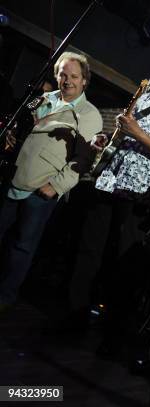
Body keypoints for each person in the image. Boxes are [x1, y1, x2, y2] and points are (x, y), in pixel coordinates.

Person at [67, 51, 150, 340]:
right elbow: (122, 139)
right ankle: (73, 319)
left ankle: (111, 335)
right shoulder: (142, 96)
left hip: (140, 195)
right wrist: (107, 141)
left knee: (124, 265)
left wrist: (137, 132)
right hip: (109, 183)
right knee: (89, 253)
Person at [0, 52, 102, 311]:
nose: (67, 81)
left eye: (74, 76)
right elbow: (22, 121)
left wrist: (55, 187)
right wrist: (13, 135)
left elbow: (84, 159)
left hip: (41, 190)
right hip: (14, 177)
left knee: (22, 247)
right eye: (62, 74)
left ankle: (5, 297)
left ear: (85, 80)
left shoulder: (89, 114)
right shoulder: (42, 99)